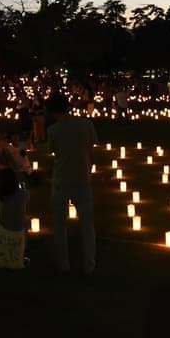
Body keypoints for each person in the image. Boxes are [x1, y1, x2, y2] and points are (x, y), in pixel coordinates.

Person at [46, 92, 98, 275]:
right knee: (87, 225)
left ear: (52, 111)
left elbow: (52, 150)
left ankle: (63, 265)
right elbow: (91, 147)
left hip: (61, 180)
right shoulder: (87, 124)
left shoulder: (53, 130)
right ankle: (89, 265)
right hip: (82, 179)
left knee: (60, 225)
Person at [0, 168, 30, 269]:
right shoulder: (21, 194)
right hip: (19, 231)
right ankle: (21, 253)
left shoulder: (0, 198)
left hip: (2, 229)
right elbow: (27, 195)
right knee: (25, 225)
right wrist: (23, 186)